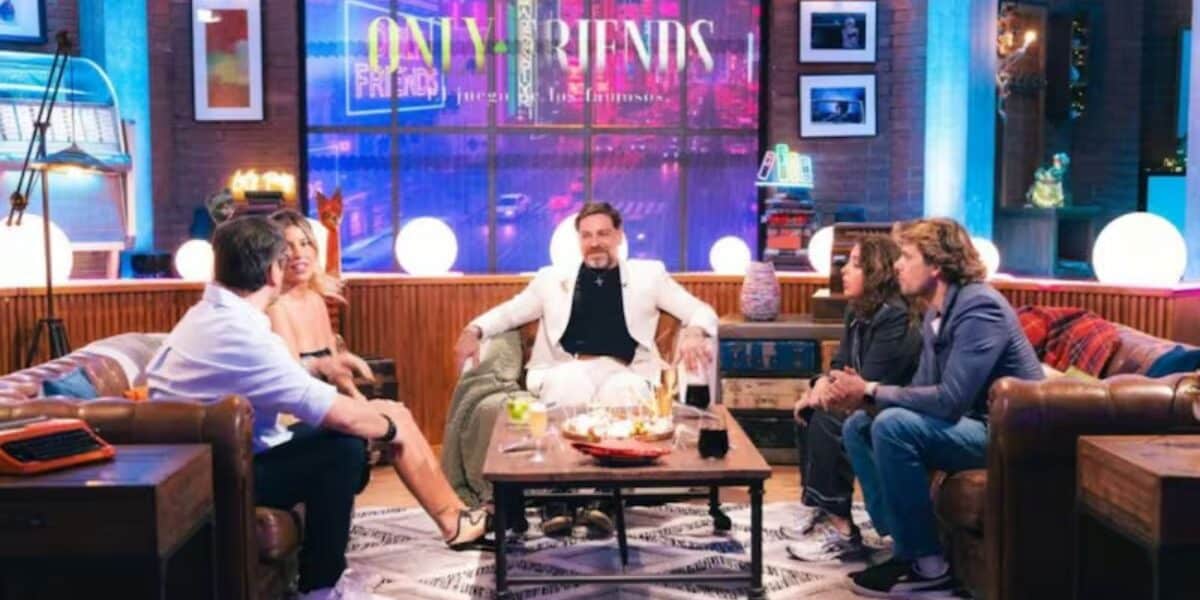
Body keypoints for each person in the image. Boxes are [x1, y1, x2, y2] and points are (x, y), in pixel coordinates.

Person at [147, 216, 488, 600]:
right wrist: (390, 427)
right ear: (273, 271)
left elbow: (282, 376)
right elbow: (330, 411)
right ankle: (322, 588)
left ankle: (454, 520)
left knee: (365, 426)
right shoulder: (242, 333)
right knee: (344, 448)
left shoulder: (210, 316)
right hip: (218, 479)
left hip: (205, 465)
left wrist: (343, 385)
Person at [454, 201, 718, 535]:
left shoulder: (649, 276)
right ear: (578, 240)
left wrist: (695, 331)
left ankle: (603, 499)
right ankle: (558, 499)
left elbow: (700, 310)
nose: (595, 243)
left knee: (625, 393)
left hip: (626, 371)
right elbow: (510, 313)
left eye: (603, 234)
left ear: (619, 236)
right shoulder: (551, 279)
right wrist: (474, 330)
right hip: (568, 367)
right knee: (569, 386)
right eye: (587, 235)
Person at [825, 218, 1044, 598]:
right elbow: (922, 389)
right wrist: (863, 398)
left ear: (937, 265)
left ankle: (928, 566)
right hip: (968, 423)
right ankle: (902, 541)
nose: (897, 265)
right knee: (859, 424)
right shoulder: (935, 312)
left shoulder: (980, 307)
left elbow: (949, 399)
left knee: (892, 425)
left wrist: (872, 389)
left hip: (1007, 435)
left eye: (907, 257)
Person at [785, 235, 922, 562]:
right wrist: (819, 384)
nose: (844, 270)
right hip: (859, 395)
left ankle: (843, 532)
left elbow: (871, 377)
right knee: (808, 411)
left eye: (856, 264)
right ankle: (822, 507)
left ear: (876, 272)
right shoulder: (857, 310)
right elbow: (840, 363)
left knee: (827, 416)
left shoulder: (895, 315)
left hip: (889, 401)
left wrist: (825, 393)